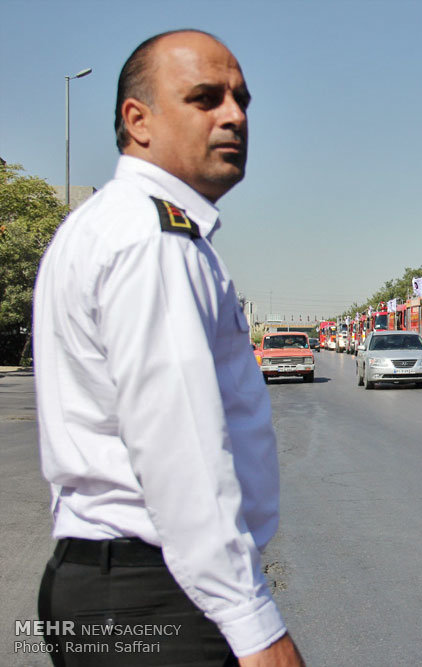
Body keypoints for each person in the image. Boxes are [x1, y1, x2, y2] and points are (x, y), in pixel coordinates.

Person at [33, 30, 304, 666]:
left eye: (241, 99)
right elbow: (180, 450)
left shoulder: (109, 224)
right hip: (157, 597)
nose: (234, 115)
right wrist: (253, 624)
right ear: (139, 120)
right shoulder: (155, 240)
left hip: (110, 583)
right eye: (205, 98)